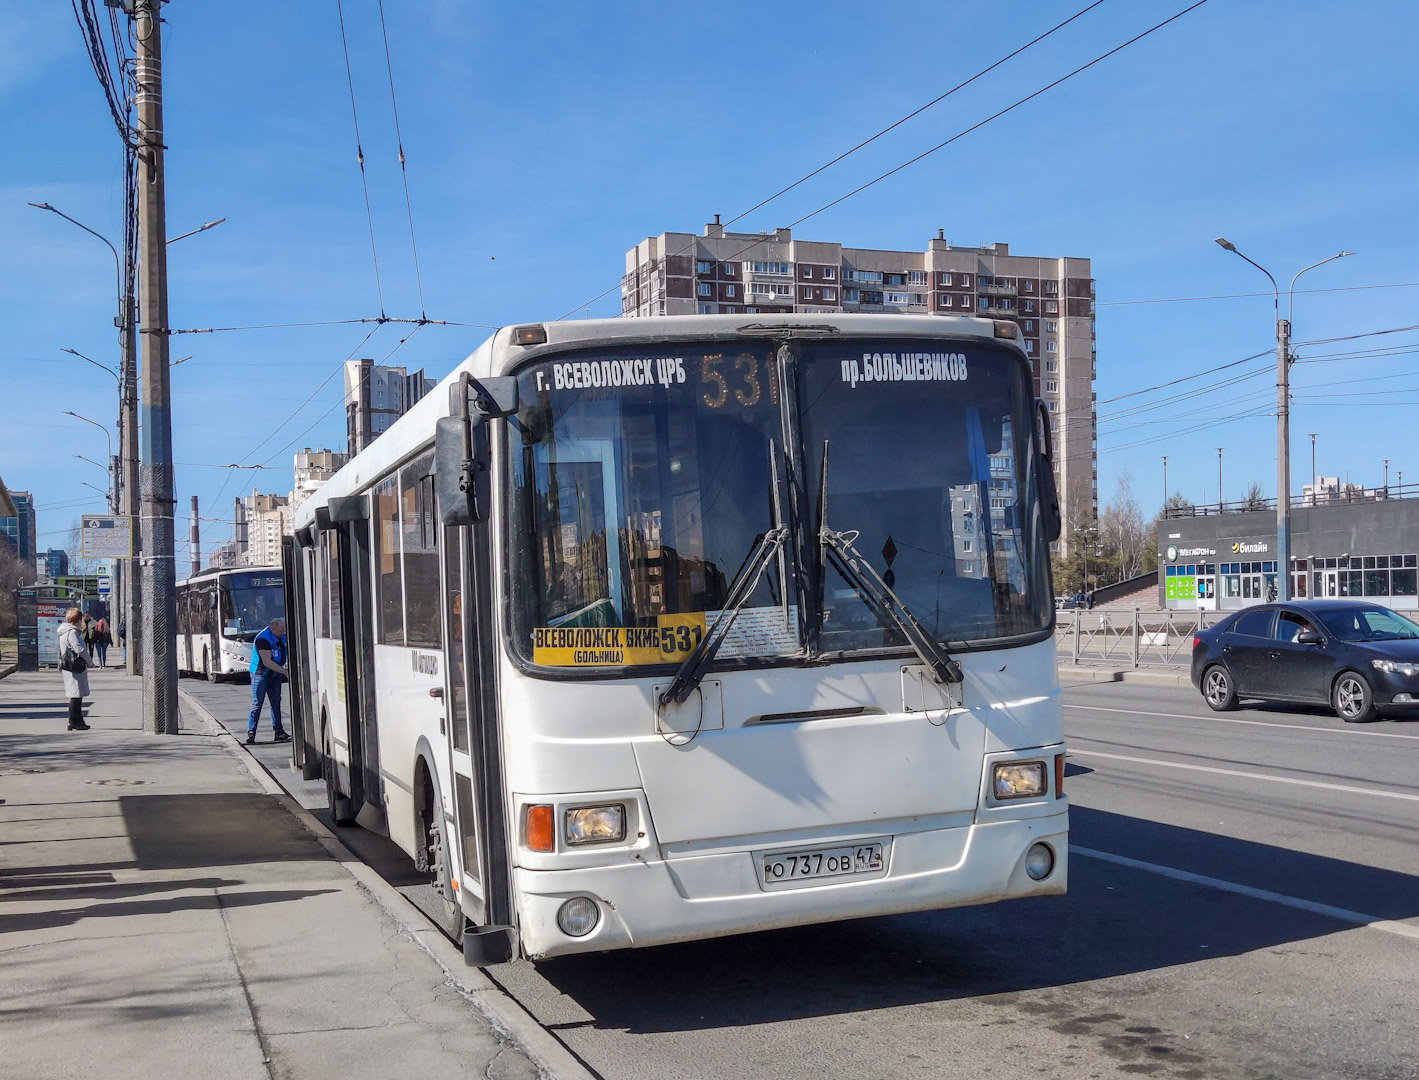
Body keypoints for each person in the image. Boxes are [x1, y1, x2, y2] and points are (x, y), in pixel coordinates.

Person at [247, 617, 290, 745]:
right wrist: (285, 672)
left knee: (276, 702)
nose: (283, 633)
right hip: (260, 674)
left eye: (284, 630)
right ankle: (251, 732)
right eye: (281, 630)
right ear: (273, 628)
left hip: (275, 674)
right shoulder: (263, 639)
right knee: (257, 703)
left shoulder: (282, 636)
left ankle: (279, 732)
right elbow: (267, 662)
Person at [57, 607, 93, 731]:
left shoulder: (64, 632)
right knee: (76, 695)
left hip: (68, 666)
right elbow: (79, 649)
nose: (81, 622)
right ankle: (75, 721)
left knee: (76, 694)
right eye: (80, 619)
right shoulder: (72, 632)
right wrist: (90, 662)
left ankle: (76, 720)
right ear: (76, 620)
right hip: (75, 666)